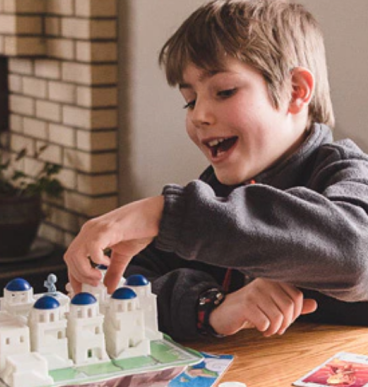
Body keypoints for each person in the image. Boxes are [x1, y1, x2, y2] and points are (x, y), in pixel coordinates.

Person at [65, 0, 368, 341]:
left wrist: (167, 213)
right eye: (190, 100)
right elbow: (129, 280)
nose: (198, 116)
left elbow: (355, 255)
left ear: (296, 91)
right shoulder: (212, 192)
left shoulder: (348, 173)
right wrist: (214, 307)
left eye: (224, 91)